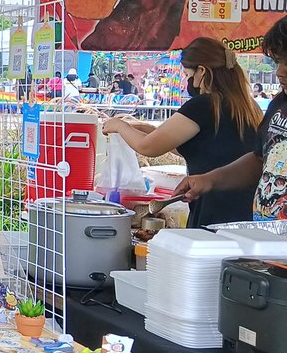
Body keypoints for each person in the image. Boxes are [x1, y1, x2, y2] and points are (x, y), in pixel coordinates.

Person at [105, 38, 259, 227]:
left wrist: (119, 125)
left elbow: (148, 147)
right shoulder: (248, 107)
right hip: (245, 211)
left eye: (188, 75)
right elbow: (205, 149)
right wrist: (150, 130)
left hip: (213, 211)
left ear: (202, 71)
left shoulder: (205, 105)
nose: (189, 81)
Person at [175, 17, 287, 222]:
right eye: (278, 61)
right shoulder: (280, 104)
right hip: (266, 239)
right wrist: (210, 180)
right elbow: (259, 158)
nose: (280, 72)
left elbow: (150, 146)